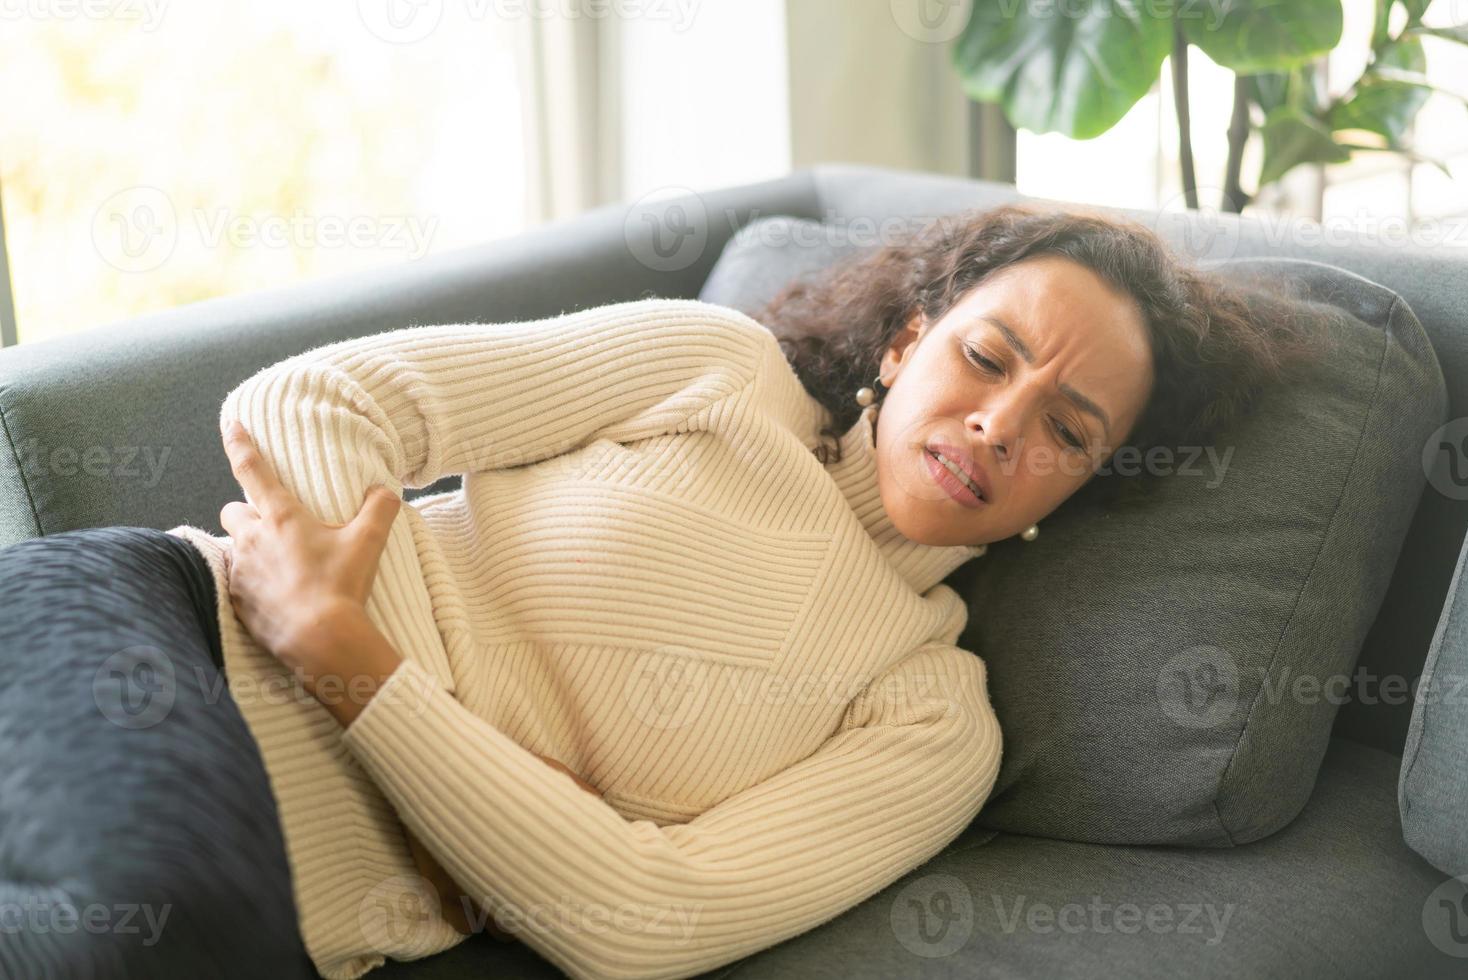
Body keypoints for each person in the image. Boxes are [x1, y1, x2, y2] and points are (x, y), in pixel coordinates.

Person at [0, 203, 1320, 979]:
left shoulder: (932, 721)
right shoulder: (714, 370)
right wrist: (484, 795)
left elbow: (641, 923)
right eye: (986, 355)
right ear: (910, 340)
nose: (994, 426)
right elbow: (311, 407)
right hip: (150, 643)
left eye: (1067, 428)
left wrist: (352, 660)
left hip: (280, 919)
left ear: (1081, 486)